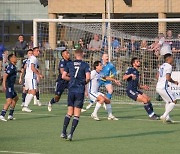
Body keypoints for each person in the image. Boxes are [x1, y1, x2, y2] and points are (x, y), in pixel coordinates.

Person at [60, 49, 90, 141]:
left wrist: (72, 80)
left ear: (75, 55)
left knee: (69, 112)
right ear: (82, 54)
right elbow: (88, 78)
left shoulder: (69, 64)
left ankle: (63, 132)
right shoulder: (85, 65)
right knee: (76, 114)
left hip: (71, 90)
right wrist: (82, 82)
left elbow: (63, 76)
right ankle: (70, 134)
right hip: (79, 91)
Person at [156, 53, 179, 123]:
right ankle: (164, 115)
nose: (173, 59)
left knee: (168, 101)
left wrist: (161, 80)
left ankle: (167, 117)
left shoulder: (162, 66)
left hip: (158, 86)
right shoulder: (169, 66)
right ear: (168, 58)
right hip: (163, 87)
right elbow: (168, 78)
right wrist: (174, 82)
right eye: (172, 57)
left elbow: (157, 76)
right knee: (174, 101)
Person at [22, 47, 43, 112]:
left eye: (39, 51)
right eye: (37, 51)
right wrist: (38, 74)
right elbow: (32, 68)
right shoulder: (34, 58)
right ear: (33, 52)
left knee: (29, 91)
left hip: (27, 76)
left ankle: (25, 106)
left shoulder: (30, 58)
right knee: (33, 91)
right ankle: (25, 106)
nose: (38, 52)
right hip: (31, 77)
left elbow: (27, 67)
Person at [0, 54, 18, 121]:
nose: (16, 58)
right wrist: (4, 84)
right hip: (9, 86)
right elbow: (5, 75)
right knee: (9, 100)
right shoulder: (11, 67)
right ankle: (2, 115)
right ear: (11, 59)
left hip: (11, 86)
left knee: (15, 98)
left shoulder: (13, 66)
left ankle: (10, 115)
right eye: (14, 57)